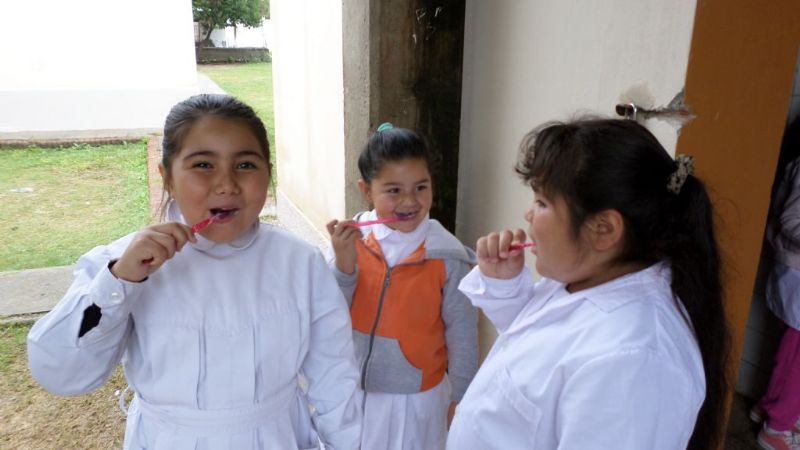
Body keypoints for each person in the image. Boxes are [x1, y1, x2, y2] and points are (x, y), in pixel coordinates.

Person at [27, 94, 361, 450]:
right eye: (203, 165)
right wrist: (118, 282)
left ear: (268, 172)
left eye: (246, 165)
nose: (227, 184)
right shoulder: (121, 264)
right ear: (167, 176)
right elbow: (61, 373)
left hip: (277, 438)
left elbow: (334, 377)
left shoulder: (300, 262)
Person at [447, 118, 730, 450]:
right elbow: (541, 348)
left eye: (542, 203)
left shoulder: (634, 365)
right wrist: (505, 285)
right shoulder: (587, 278)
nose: (528, 215)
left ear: (604, 229)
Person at [326, 123, 478, 450]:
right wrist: (343, 263)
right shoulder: (352, 240)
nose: (410, 201)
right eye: (393, 190)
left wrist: (461, 399)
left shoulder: (447, 255)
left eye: (421, 187)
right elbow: (330, 311)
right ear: (366, 190)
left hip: (417, 397)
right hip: (355, 387)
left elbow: (463, 333)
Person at [751, 117, 800, 450]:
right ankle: (776, 429)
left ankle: (769, 408)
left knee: (791, 348)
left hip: (792, 269)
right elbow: (790, 220)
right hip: (796, 271)